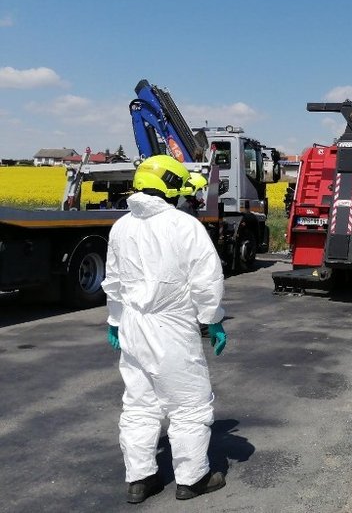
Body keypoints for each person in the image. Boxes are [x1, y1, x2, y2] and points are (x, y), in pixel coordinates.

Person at [102, 154, 229, 503]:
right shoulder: (184, 226)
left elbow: (114, 282)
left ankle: (140, 479)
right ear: (172, 187)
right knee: (188, 403)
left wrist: (115, 321)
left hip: (132, 326)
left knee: (140, 403)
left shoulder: (122, 226)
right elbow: (206, 281)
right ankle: (192, 479)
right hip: (171, 326)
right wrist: (213, 320)